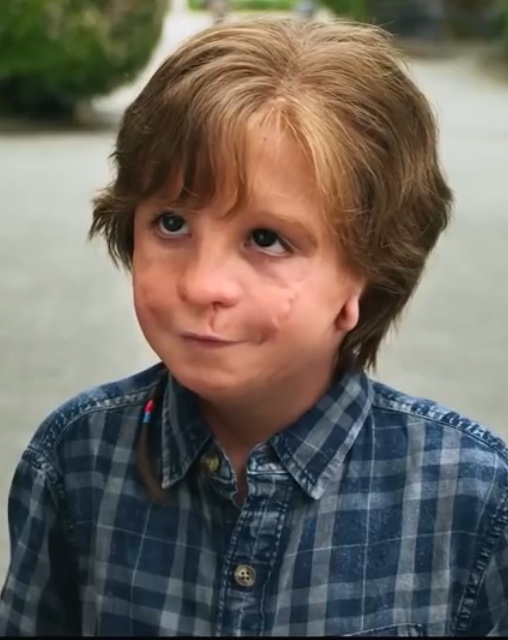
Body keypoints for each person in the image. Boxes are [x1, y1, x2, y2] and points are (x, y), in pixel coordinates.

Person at [1, 17, 507, 637]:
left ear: (367, 274)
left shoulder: (473, 501)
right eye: (172, 224)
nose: (202, 284)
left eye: (266, 239)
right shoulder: (76, 462)